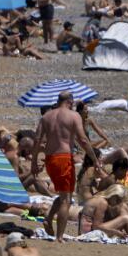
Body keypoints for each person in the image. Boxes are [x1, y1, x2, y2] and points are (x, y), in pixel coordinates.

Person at [32, 92, 100, 242]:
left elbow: (37, 140)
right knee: (66, 200)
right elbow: (82, 139)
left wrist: (33, 162)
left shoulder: (46, 116)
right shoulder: (73, 115)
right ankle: (59, 237)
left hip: (50, 160)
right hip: (63, 159)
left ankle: (49, 219)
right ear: (70, 101)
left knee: (64, 196)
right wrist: (94, 159)